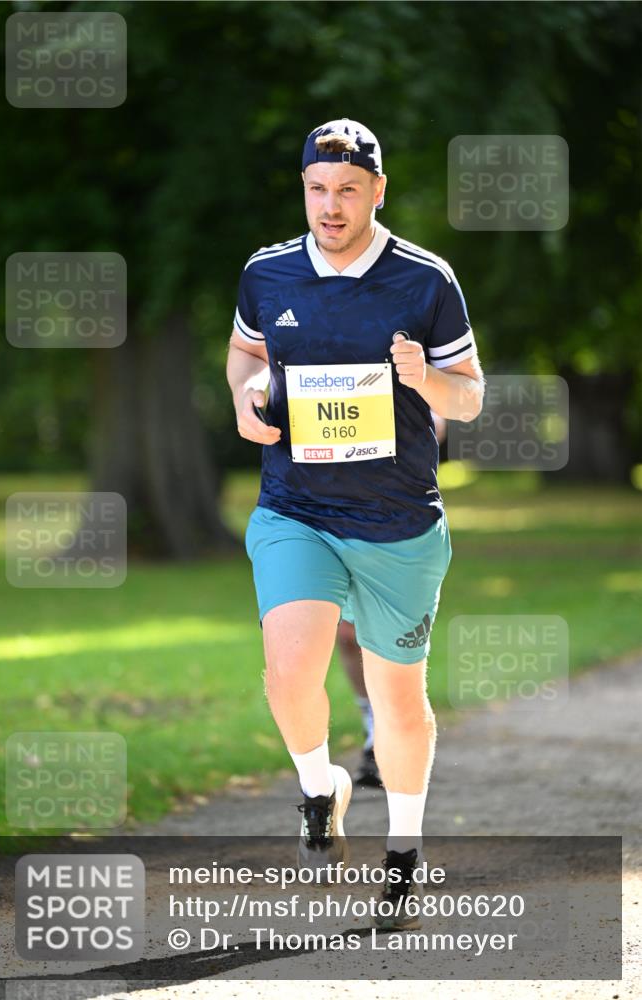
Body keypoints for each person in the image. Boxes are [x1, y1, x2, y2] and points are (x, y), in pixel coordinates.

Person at [226, 118, 484, 928]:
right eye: (315, 190)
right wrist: (244, 399)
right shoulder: (267, 273)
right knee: (289, 667)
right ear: (302, 189)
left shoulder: (424, 280)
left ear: (376, 190)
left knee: (397, 699)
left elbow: (470, 394)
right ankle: (317, 786)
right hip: (294, 508)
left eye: (346, 190)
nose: (329, 206)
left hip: (398, 522)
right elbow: (245, 355)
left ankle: (403, 854)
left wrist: (426, 381)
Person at [338, 413, 447, 791]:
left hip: (396, 512)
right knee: (347, 635)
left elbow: (439, 419)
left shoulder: (411, 351)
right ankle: (374, 731)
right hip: (328, 508)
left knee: (392, 641)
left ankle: (396, 731)